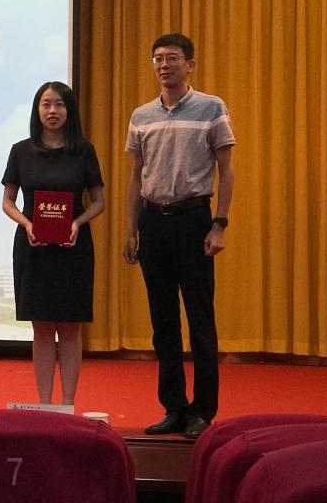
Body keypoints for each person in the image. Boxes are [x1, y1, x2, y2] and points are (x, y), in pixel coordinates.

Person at [124, 34, 235, 440]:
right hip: (153, 222)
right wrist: (131, 229)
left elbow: (227, 169)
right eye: (157, 58)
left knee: (200, 319)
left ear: (190, 65)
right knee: (163, 321)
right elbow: (136, 177)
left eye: (172, 58)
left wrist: (219, 224)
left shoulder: (211, 107)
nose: (164, 65)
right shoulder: (141, 115)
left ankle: (202, 410)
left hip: (193, 220)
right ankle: (173, 407)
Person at [2, 81, 105, 406]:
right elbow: (8, 202)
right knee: (42, 327)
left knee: (71, 328)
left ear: (69, 110)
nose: (52, 111)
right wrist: (27, 224)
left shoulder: (83, 150)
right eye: (46, 104)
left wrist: (77, 222)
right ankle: (45, 405)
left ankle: (67, 405)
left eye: (59, 104)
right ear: (37, 110)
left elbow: (99, 202)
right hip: (33, 248)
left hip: (73, 248)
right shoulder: (21, 150)